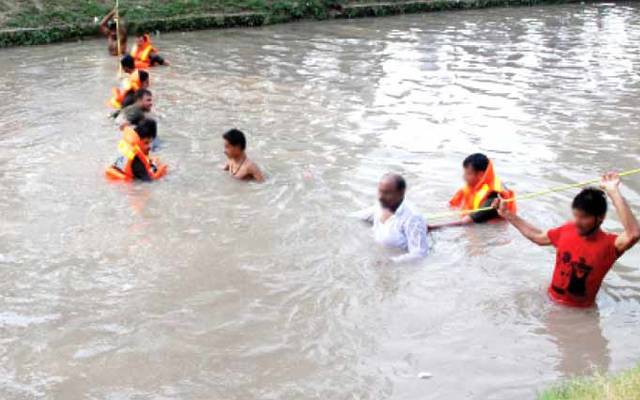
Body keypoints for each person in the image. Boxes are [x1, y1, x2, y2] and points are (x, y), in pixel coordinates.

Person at [494, 172, 640, 307]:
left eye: (584, 217)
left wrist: (613, 191)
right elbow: (538, 236)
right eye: (576, 215)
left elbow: (633, 233)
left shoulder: (609, 245)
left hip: (580, 313)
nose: (577, 222)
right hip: (550, 300)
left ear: (600, 218)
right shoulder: (567, 230)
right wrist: (508, 214)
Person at [354, 173, 429, 263]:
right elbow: (353, 217)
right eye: (380, 191)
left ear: (401, 193)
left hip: (397, 267)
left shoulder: (413, 218)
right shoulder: (380, 206)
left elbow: (420, 253)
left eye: (386, 193)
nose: (380, 197)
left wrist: (390, 262)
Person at [429, 153, 516, 229]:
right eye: (464, 172)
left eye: (468, 174)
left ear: (481, 175)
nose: (464, 177)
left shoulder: (492, 199)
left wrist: (432, 227)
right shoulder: (479, 186)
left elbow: (465, 222)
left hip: (491, 232)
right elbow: (451, 205)